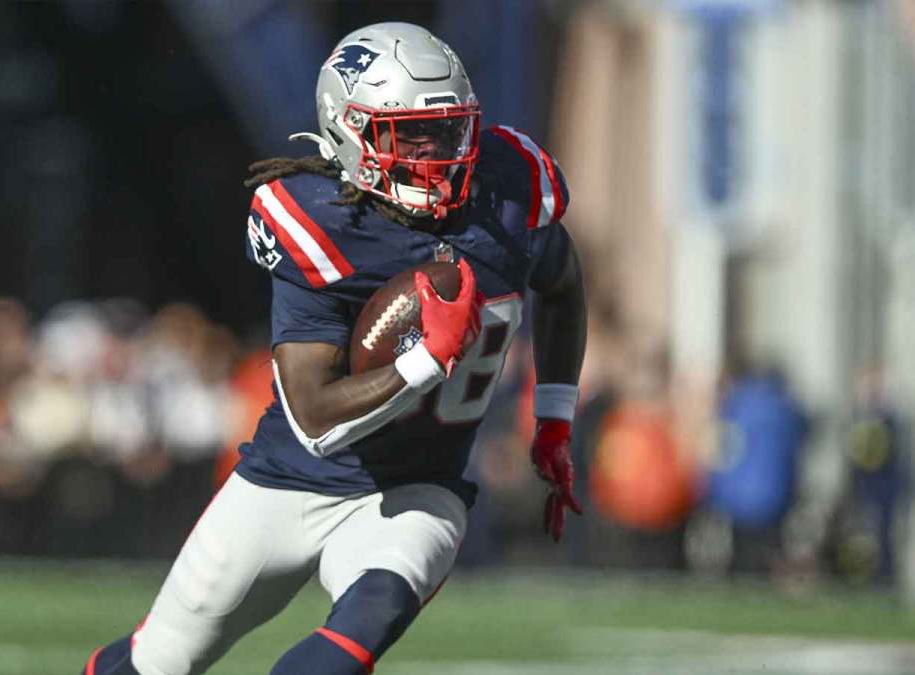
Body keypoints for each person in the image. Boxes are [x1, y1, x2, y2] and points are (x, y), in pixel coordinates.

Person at [81, 22, 587, 675]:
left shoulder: (510, 195)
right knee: (159, 662)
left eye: (452, 130)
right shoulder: (321, 222)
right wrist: (422, 359)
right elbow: (314, 417)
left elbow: (563, 284)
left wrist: (554, 418)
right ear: (351, 130)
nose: (441, 154)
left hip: (416, 493)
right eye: (415, 135)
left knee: (338, 659)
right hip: (288, 484)